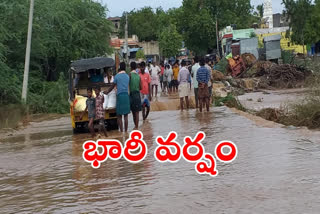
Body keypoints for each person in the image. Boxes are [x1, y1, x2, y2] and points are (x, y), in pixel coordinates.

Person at [104, 62, 130, 133]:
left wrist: (107, 92)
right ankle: (126, 132)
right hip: (126, 96)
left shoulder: (117, 77)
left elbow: (112, 86)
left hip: (120, 96)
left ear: (119, 68)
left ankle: (121, 131)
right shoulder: (127, 76)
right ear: (125, 68)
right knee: (126, 116)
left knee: (119, 115)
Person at [129, 62, 142, 130]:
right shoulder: (138, 76)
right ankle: (136, 126)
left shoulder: (130, 75)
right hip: (137, 94)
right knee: (137, 112)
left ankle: (136, 126)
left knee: (133, 112)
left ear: (130, 67)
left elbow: (128, 85)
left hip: (131, 94)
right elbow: (141, 87)